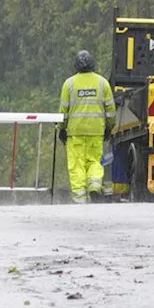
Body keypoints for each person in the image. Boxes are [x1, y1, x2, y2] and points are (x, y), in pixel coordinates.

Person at [58, 50, 115, 203]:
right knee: (94, 161)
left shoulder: (68, 84)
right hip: (96, 131)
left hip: (75, 132)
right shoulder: (103, 83)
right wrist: (109, 128)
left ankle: (80, 198)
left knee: (76, 164)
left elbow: (63, 111)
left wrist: (61, 128)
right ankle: (95, 186)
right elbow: (110, 111)